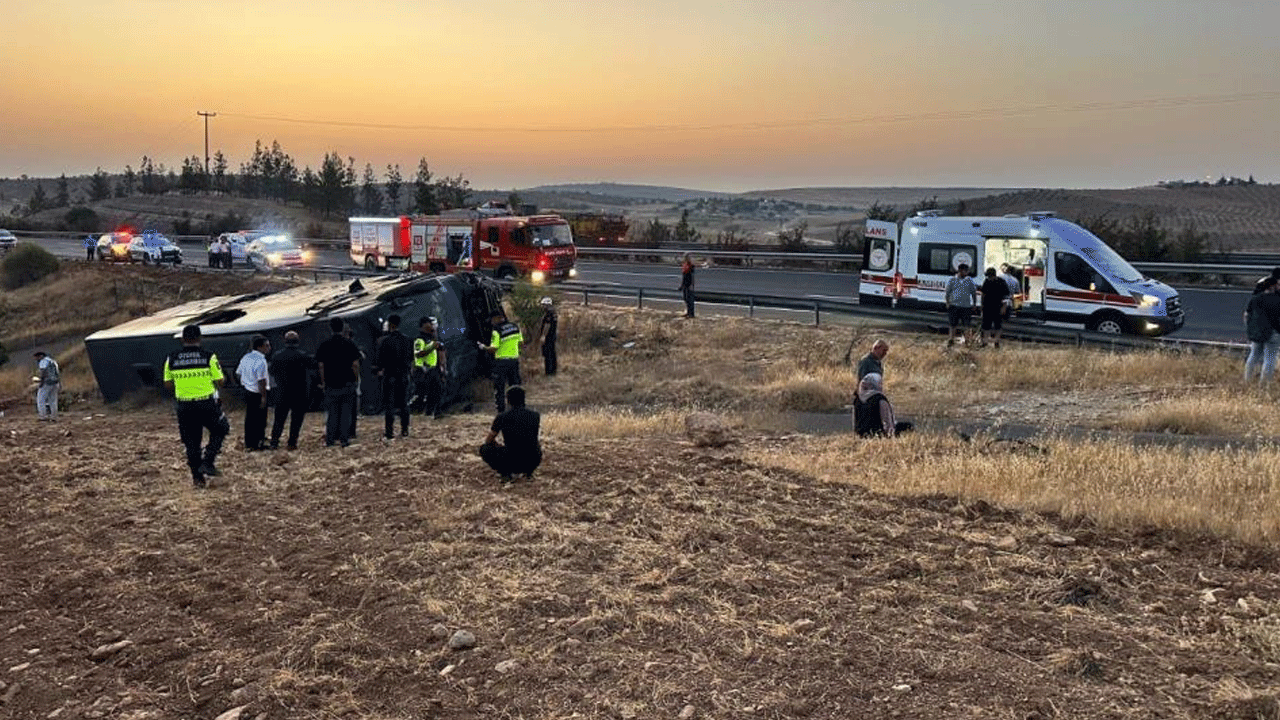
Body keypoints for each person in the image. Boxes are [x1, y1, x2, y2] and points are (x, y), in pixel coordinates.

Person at [163, 325, 230, 488]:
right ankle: (208, 461)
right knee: (221, 428)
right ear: (200, 338)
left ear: (182, 339)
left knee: (191, 442)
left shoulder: (171, 358)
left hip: (184, 405)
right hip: (206, 403)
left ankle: (197, 478)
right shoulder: (208, 356)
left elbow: (167, 384)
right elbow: (220, 381)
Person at [479, 386, 542, 483]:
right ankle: (528, 473)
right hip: (533, 459)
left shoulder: (501, 417)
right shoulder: (535, 416)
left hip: (512, 460)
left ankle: (505, 474)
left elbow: (488, 440)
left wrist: (497, 445)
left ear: (508, 400)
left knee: (484, 449)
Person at [315, 317, 362, 447]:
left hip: (331, 382)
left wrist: (323, 382)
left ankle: (330, 439)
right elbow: (355, 364)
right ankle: (344, 439)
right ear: (343, 328)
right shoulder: (350, 344)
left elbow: (321, 366)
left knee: (332, 413)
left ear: (330, 328)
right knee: (346, 412)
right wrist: (356, 379)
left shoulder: (324, 345)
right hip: (347, 382)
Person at [268, 331, 313, 450]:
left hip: (282, 391)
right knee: (296, 419)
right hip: (299, 392)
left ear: (285, 341)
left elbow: (271, 371)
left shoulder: (277, 356)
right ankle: (292, 442)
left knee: (279, 418)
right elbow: (313, 367)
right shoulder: (302, 355)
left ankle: (274, 441)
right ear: (298, 341)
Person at [374, 313, 414, 439]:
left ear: (390, 324)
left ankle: (389, 432)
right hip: (403, 374)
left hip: (390, 374)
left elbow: (380, 360)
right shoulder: (407, 340)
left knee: (389, 404)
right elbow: (411, 357)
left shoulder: (384, 341)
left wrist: (379, 369)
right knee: (404, 403)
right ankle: (405, 430)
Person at [479, 309, 523, 413]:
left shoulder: (497, 330)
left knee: (500, 387)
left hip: (501, 363)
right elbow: (521, 343)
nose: (491, 322)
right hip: (514, 361)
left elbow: (493, 348)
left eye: (492, 320)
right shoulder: (515, 327)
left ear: (497, 318)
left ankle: (501, 410)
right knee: (515, 386)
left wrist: (483, 347)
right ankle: (518, 408)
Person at [235, 335, 272, 451]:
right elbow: (261, 380)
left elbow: (238, 373)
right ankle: (258, 442)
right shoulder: (261, 361)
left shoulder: (246, 357)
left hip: (247, 390)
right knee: (260, 419)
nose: (269, 348)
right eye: (267, 346)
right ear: (259, 347)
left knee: (250, 418)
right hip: (257, 392)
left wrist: (246, 382)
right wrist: (263, 397)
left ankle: (249, 442)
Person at [852, 373, 913, 438]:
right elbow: (887, 422)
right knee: (909, 426)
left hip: (861, 434)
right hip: (878, 434)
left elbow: (855, 422)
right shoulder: (880, 399)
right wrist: (890, 435)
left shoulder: (857, 400)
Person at [1243, 277, 1280, 384]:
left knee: (1253, 355)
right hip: (1273, 333)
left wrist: (1250, 329)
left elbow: (1246, 315)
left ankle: (1247, 380)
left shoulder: (1255, 298)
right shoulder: (1277, 300)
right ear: (1273, 286)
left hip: (1258, 333)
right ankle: (1264, 384)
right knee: (1270, 359)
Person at [412, 316, 447, 418]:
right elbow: (418, 353)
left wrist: (442, 366)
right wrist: (431, 347)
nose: (431, 326)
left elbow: (441, 352)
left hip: (434, 368)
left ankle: (436, 411)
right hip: (424, 369)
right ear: (423, 325)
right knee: (428, 391)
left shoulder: (433, 338)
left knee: (438, 390)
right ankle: (427, 411)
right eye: (429, 324)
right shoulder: (419, 339)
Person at [944, 263, 978, 346]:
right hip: (954, 305)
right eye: (965, 271)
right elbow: (947, 292)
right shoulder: (952, 280)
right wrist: (947, 302)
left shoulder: (969, 281)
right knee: (953, 324)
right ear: (960, 270)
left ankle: (967, 340)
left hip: (966, 306)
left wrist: (974, 304)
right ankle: (951, 339)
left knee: (966, 324)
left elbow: (973, 293)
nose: (967, 273)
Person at [979, 267, 1011, 348]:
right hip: (987, 307)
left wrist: (1004, 307)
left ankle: (996, 342)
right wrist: (982, 306)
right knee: (986, 325)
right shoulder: (986, 282)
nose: (989, 278)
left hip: (998, 306)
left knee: (998, 325)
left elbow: (1006, 296)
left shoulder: (1001, 282)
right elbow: (983, 294)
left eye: (990, 276)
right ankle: (985, 342)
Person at [32, 351, 61, 421]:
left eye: (36, 357)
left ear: (40, 356)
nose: (36, 359)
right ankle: (54, 416)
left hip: (47, 383)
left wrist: (41, 382)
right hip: (55, 382)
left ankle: (43, 416)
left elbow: (43, 372)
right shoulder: (53, 361)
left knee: (41, 400)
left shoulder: (43, 361)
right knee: (53, 400)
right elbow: (57, 372)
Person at [537, 296, 558, 376]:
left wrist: (543, 336)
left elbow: (547, 325)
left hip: (548, 337)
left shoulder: (548, 313)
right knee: (552, 353)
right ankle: (553, 370)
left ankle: (548, 371)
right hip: (553, 336)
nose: (543, 306)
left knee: (547, 354)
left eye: (543, 305)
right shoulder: (554, 313)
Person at [679, 252, 696, 318]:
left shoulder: (691, 266)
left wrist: (691, 284)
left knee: (689, 299)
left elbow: (691, 276)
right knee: (686, 298)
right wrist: (682, 285)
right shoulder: (685, 265)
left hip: (689, 283)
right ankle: (688, 312)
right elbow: (684, 275)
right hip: (686, 282)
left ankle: (691, 313)